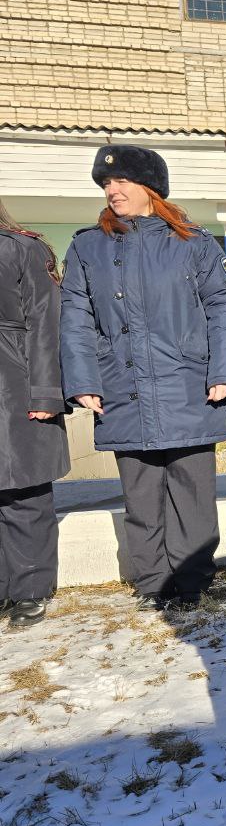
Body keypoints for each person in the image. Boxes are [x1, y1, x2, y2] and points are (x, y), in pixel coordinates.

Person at [60, 145, 226, 610]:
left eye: (121, 181)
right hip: (123, 386)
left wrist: (224, 371)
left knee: (192, 493)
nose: (112, 190)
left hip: (188, 383)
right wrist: (84, 379)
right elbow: (76, 316)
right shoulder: (87, 246)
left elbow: (223, 310)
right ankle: (153, 582)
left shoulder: (193, 243)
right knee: (141, 496)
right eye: (106, 184)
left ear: (150, 189)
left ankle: (193, 580)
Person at [0, 199, 68, 629]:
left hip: (13, 383)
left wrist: (46, 394)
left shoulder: (22, 249)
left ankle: (29, 588)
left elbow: (46, 324)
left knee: (22, 490)